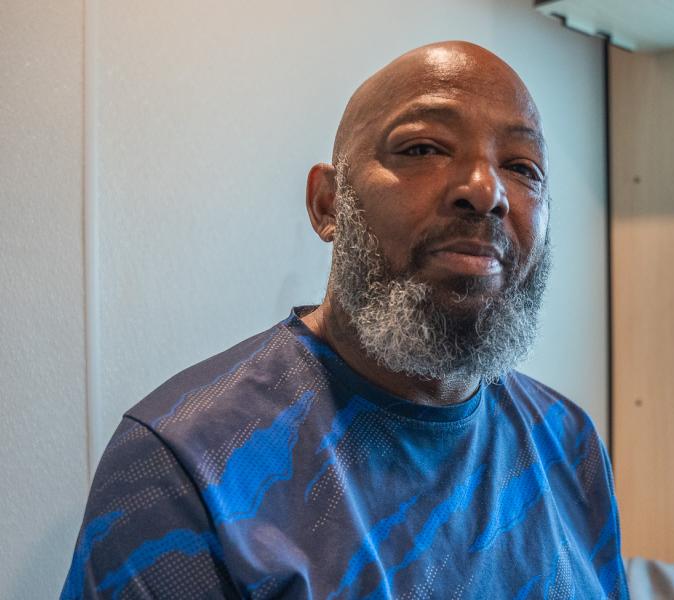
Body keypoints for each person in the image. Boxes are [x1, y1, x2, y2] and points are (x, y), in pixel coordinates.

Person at [61, 41, 629, 599]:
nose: (486, 191)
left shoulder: (569, 443)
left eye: (523, 166)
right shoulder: (188, 467)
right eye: (424, 148)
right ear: (328, 204)